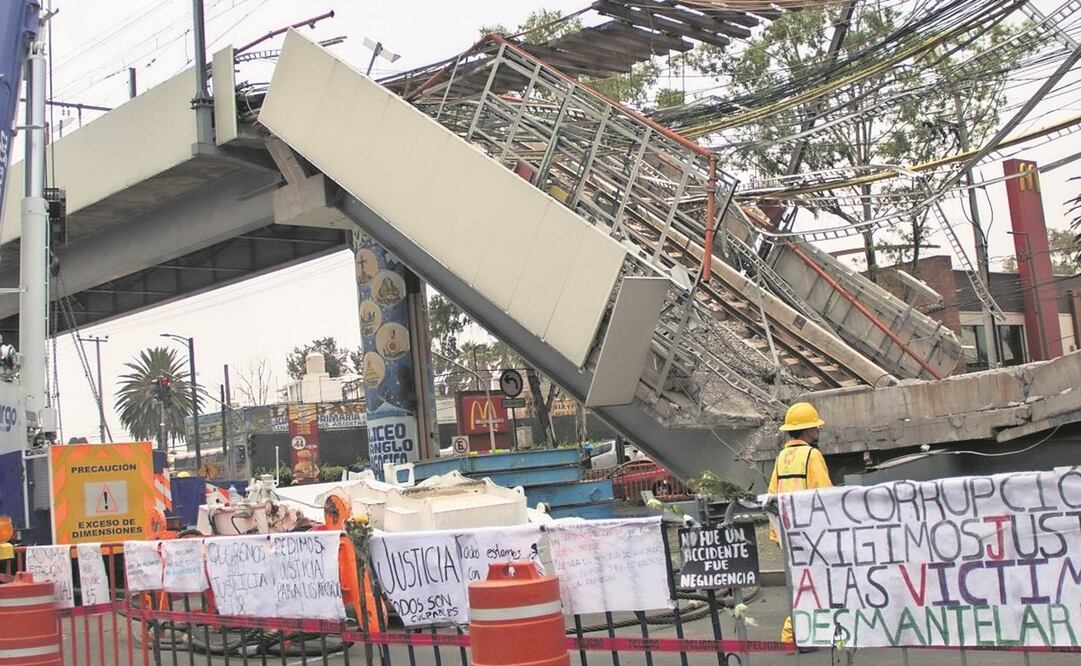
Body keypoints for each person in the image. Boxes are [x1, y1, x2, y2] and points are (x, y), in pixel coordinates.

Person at [768, 401, 832, 648]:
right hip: (810, 533)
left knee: (803, 582)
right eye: (815, 427)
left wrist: (775, 534)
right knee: (813, 583)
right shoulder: (811, 455)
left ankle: (801, 633)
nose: (818, 431)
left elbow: (772, 494)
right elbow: (824, 494)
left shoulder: (782, 457)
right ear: (808, 431)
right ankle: (793, 635)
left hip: (787, 532)